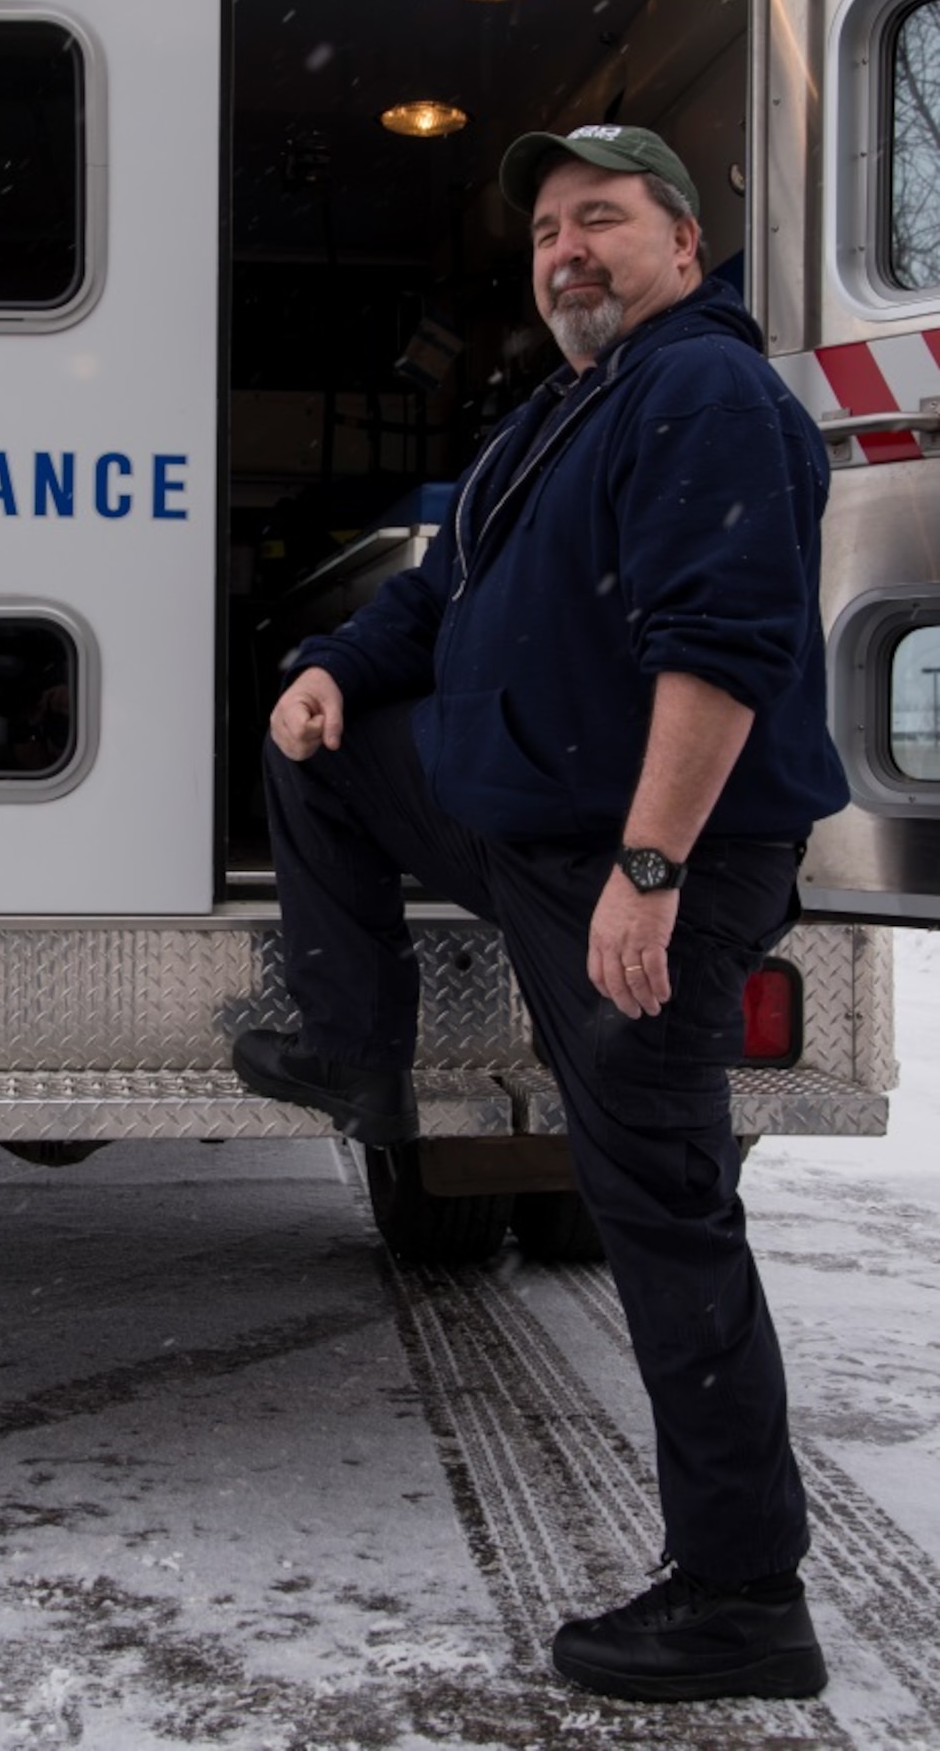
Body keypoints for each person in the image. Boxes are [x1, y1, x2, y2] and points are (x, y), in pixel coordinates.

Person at [231, 125, 850, 1703]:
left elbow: (725, 645)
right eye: (549, 233)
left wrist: (650, 873)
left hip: (645, 863)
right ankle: (359, 1048)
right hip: (530, 827)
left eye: (605, 223)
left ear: (683, 248)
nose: (568, 250)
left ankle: (741, 1596)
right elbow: (437, 600)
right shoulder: (565, 410)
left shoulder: (706, 390)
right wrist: (336, 673)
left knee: (660, 1206)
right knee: (320, 744)